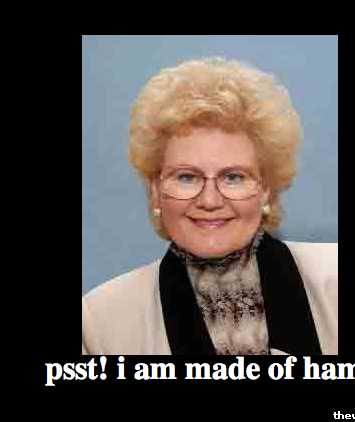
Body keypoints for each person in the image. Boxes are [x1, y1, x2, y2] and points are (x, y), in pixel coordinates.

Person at [82, 57, 338, 355]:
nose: (210, 201)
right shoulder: (100, 320)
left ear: (266, 189)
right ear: (155, 190)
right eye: (187, 177)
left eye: (233, 177)